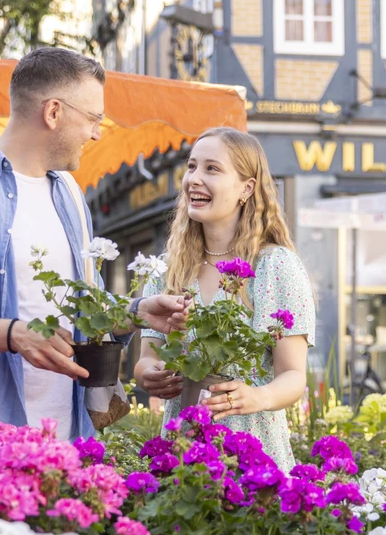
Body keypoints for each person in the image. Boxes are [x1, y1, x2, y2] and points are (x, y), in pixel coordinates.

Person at [0, 47, 189, 442]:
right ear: (53, 112)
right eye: (93, 118)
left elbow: (87, 314)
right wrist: (12, 334)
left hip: (69, 440)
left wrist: (137, 312)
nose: (97, 133)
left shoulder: (69, 193)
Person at [133, 127, 316, 470]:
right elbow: (146, 361)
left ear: (246, 188)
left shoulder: (274, 265)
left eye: (212, 169)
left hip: (252, 455)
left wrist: (259, 396)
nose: (194, 179)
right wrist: (152, 375)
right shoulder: (169, 269)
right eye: (191, 167)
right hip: (182, 452)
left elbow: (293, 376)